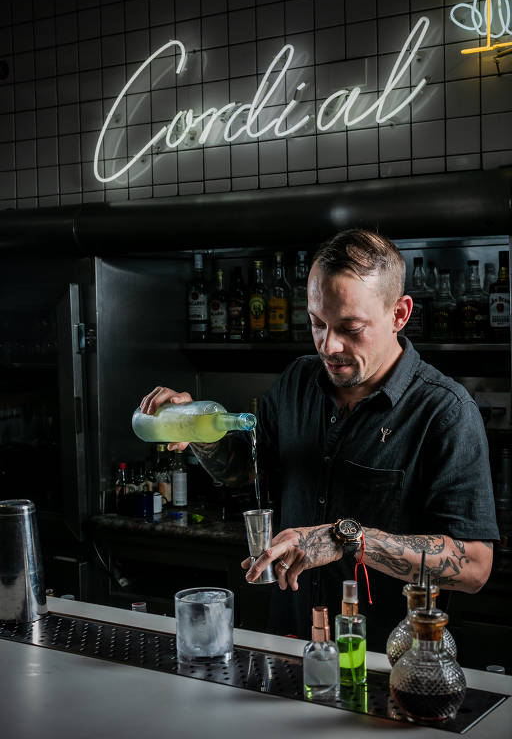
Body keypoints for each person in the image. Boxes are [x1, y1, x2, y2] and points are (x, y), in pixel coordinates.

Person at [140, 229, 499, 651]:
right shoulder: (299, 381)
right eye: (317, 323)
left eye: (351, 328)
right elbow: (245, 471)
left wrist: (347, 538)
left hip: (387, 659)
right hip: (291, 642)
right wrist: (196, 433)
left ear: (399, 314)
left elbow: (474, 565)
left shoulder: (445, 411)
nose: (329, 345)